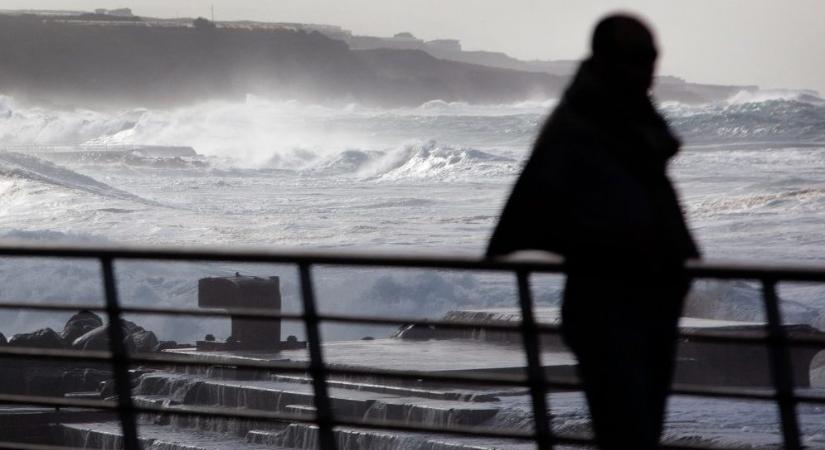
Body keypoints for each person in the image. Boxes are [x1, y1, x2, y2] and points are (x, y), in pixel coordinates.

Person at [486, 14, 700, 450]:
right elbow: (542, 208)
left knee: (641, 433)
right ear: (608, 60)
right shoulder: (581, 124)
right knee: (626, 434)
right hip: (607, 306)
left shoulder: (630, 116)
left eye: (652, 56)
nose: (649, 68)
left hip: (652, 301)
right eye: (638, 57)